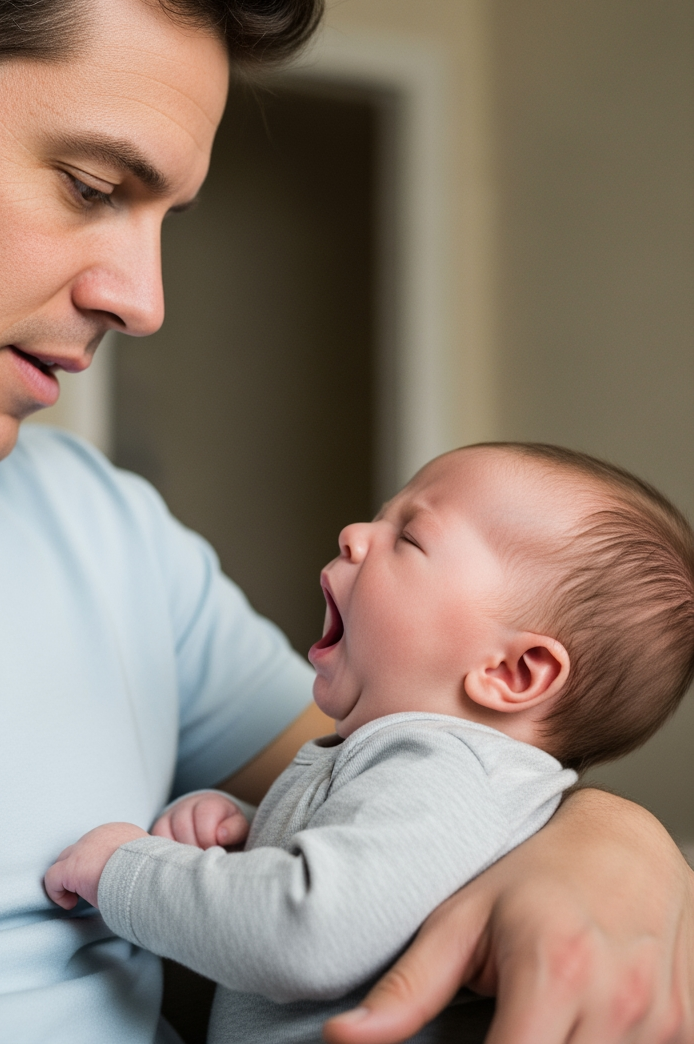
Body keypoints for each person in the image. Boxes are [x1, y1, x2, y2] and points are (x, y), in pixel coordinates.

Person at [0, 0, 692, 1041]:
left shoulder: (101, 530)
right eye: (93, 183)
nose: (142, 298)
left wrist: (609, 841)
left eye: (166, 216)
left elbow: (407, 776)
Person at [44, 442, 694, 1043]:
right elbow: (374, 878)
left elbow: (308, 934)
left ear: (511, 673)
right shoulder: (435, 777)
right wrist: (253, 833)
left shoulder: (444, 769)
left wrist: (124, 870)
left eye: (409, 536)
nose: (354, 535)